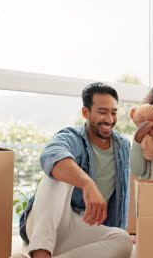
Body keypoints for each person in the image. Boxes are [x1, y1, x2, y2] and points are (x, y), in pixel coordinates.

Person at [14, 83, 132, 258]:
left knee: (123, 241)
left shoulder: (122, 145)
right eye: (102, 112)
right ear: (86, 112)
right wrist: (87, 183)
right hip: (49, 222)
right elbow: (51, 155)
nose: (109, 119)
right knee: (58, 170)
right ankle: (40, 252)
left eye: (113, 112)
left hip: (84, 226)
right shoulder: (71, 137)